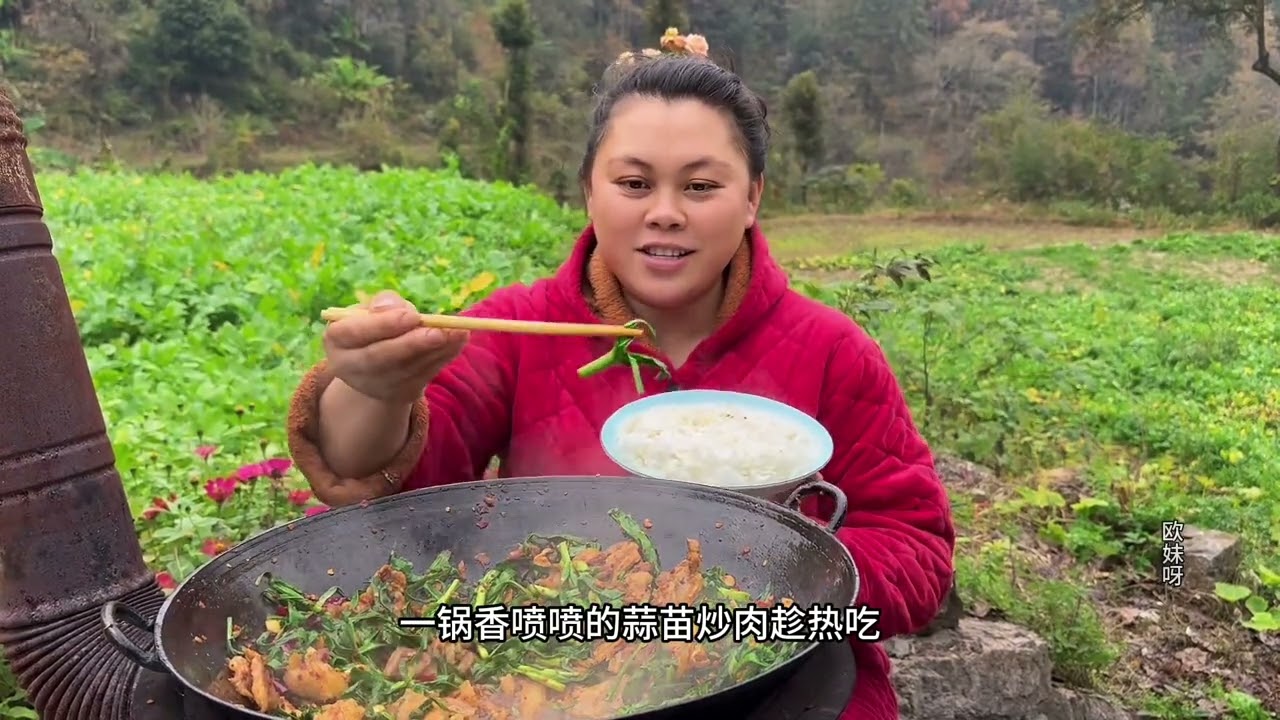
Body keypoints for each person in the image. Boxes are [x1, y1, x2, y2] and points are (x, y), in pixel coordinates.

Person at [286, 30, 955, 720]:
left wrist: (763, 585)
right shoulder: (517, 328)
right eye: (634, 183)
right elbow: (398, 482)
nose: (664, 211)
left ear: (753, 195)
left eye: (701, 185)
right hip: (550, 667)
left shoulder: (832, 349)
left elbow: (917, 551)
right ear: (588, 191)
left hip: (781, 673)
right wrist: (375, 390)